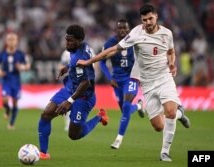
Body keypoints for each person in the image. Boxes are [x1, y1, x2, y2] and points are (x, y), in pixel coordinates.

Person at [77, 4, 190, 162]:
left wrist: (172, 63)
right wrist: (90, 61)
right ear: (141, 20)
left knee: (169, 111)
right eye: (145, 20)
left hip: (165, 79)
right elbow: (112, 50)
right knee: (158, 126)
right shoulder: (136, 33)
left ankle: (165, 152)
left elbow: (171, 52)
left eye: (150, 18)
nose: (148, 22)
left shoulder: (167, 33)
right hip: (148, 84)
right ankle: (180, 114)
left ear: (156, 16)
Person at [38, 24, 109, 160]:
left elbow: (85, 82)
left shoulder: (79, 58)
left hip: (84, 97)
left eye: (70, 41)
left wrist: (69, 101)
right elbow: (75, 63)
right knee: (46, 114)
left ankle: (100, 116)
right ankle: (43, 153)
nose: (67, 43)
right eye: (66, 40)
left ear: (79, 40)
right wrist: (67, 67)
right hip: (70, 88)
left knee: (74, 135)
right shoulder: (82, 46)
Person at [99, 19, 145, 149]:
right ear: (116, 30)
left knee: (125, 107)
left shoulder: (135, 41)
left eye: (125, 28)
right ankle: (139, 106)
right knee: (125, 110)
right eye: (120, 28)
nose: (123, 31)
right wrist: (109, 78)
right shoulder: (110, 43)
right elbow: (102, 62)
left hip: (131, 78)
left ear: (129, 30)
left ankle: (118, 139)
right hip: (117, 81)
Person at [0, 32, 30, 130]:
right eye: (9, 39)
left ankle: (11, 123)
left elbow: (28, 66)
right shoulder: (2, 54)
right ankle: (7, 109)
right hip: (6, 80)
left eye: (13, 39)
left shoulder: (20, 54)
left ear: (16, 41)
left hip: (16, 81)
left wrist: (22, 67)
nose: (11, 41)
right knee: (4, 99)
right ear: (6, 41)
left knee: (15, 102)